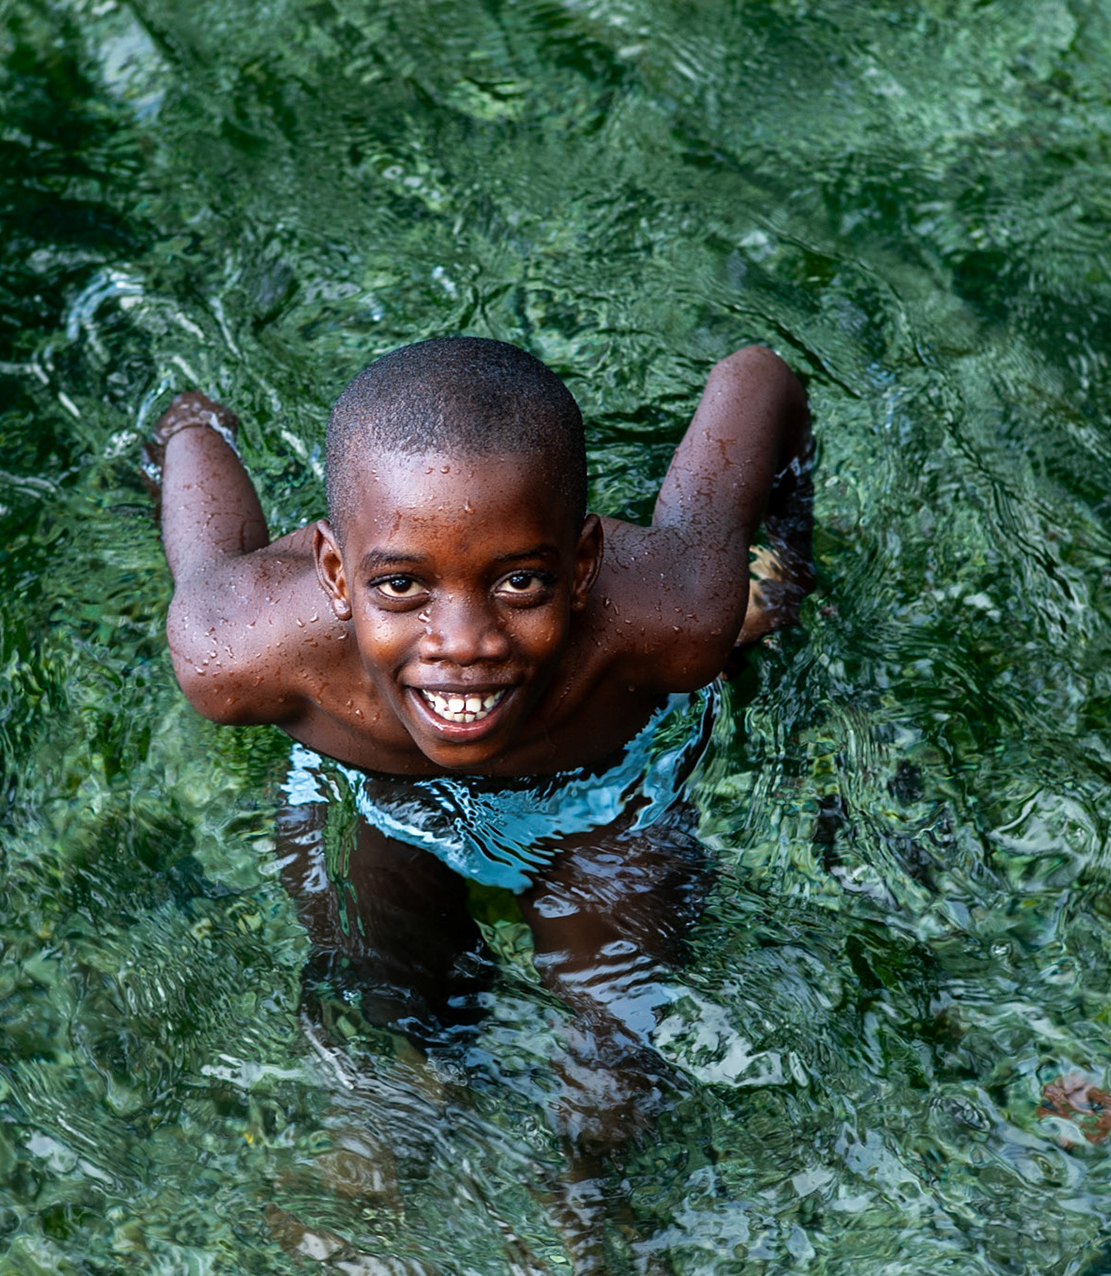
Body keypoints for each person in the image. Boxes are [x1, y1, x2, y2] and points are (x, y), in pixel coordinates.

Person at [144, 337, 812, 1271]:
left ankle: (593, 1193)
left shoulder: (676, 612)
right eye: (402, 585)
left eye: (519, 581)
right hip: (377, 794)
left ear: (584, 563)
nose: (464, 642)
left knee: (615, 1060)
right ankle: (398, 1129)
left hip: (600, 798)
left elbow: (760, 378)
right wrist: (189, 426)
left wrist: (790, 569)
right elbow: (201, 526)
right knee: (383, 998)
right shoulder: (239, 649)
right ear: (335, 576)